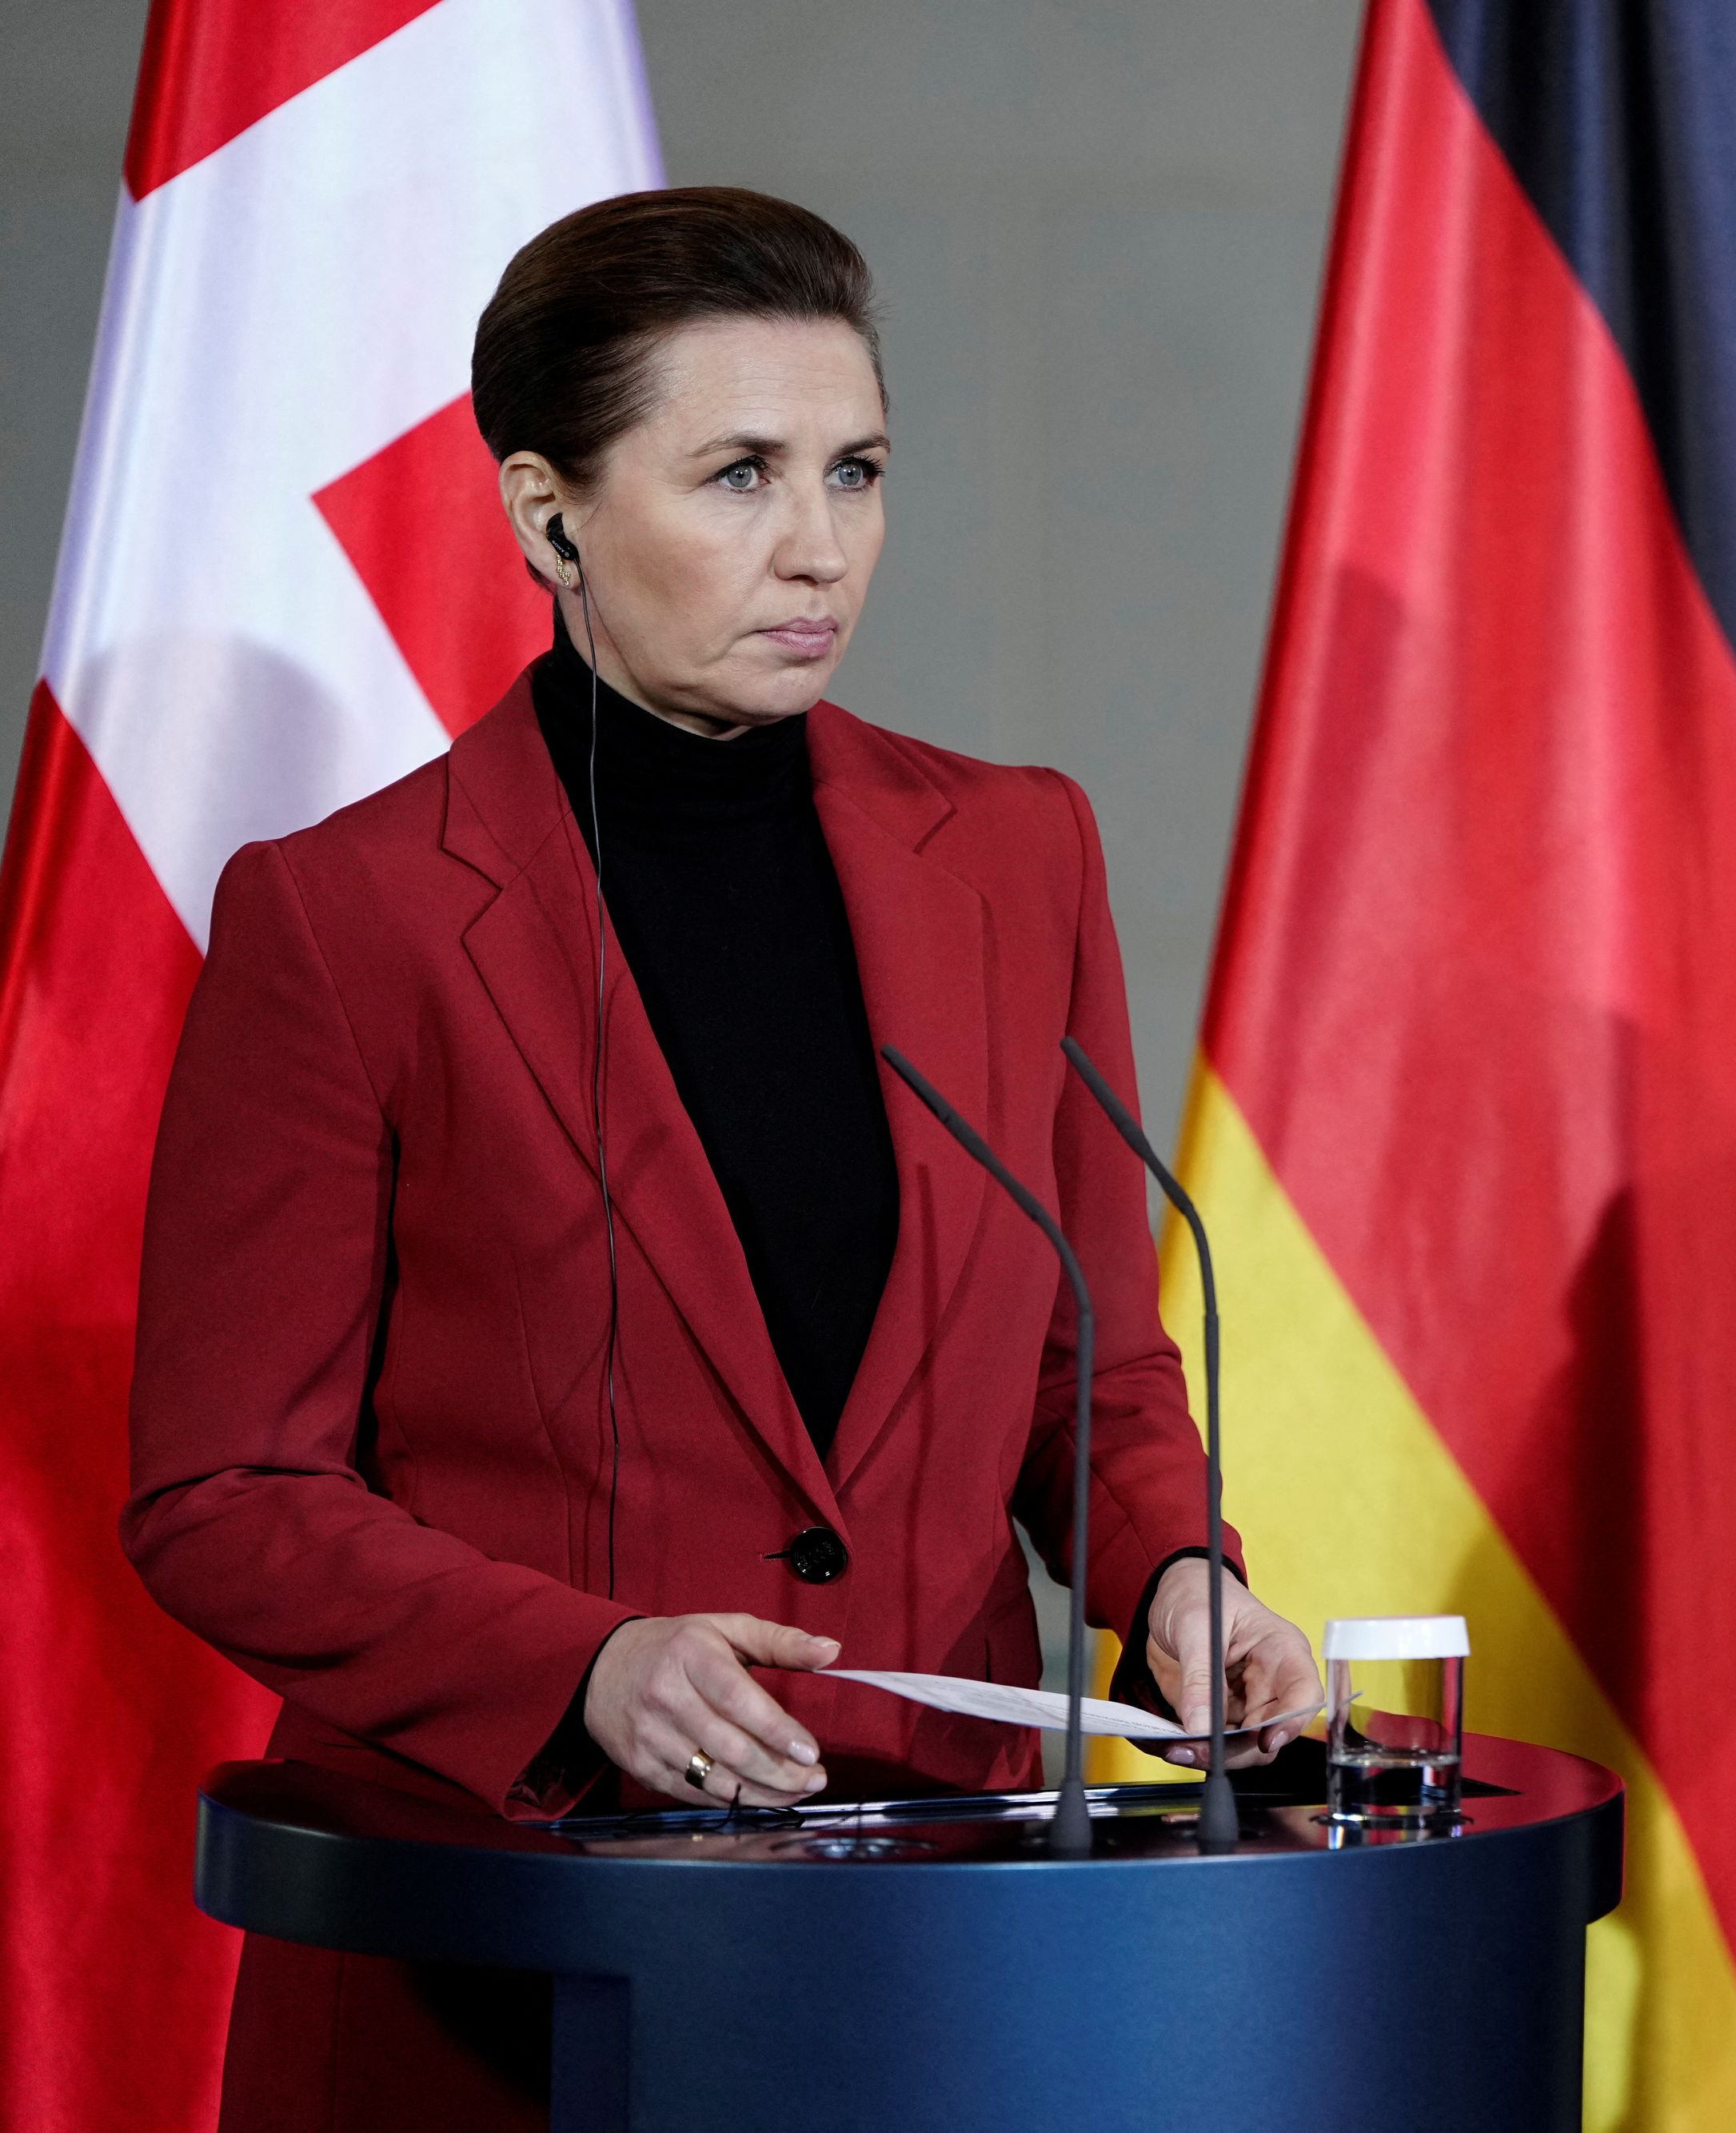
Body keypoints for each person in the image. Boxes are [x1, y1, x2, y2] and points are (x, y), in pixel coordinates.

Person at [122, 188, 1320, 2131]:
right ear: (546, 514)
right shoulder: (348, 917)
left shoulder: (1018, 853)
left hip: (948, 1925)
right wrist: (582, 1660)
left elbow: (1077, 1361)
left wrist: (1172, 1567)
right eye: (740, 475)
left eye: (854, 469)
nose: (820, 546)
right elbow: (219, 1484)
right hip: (509, 1938)